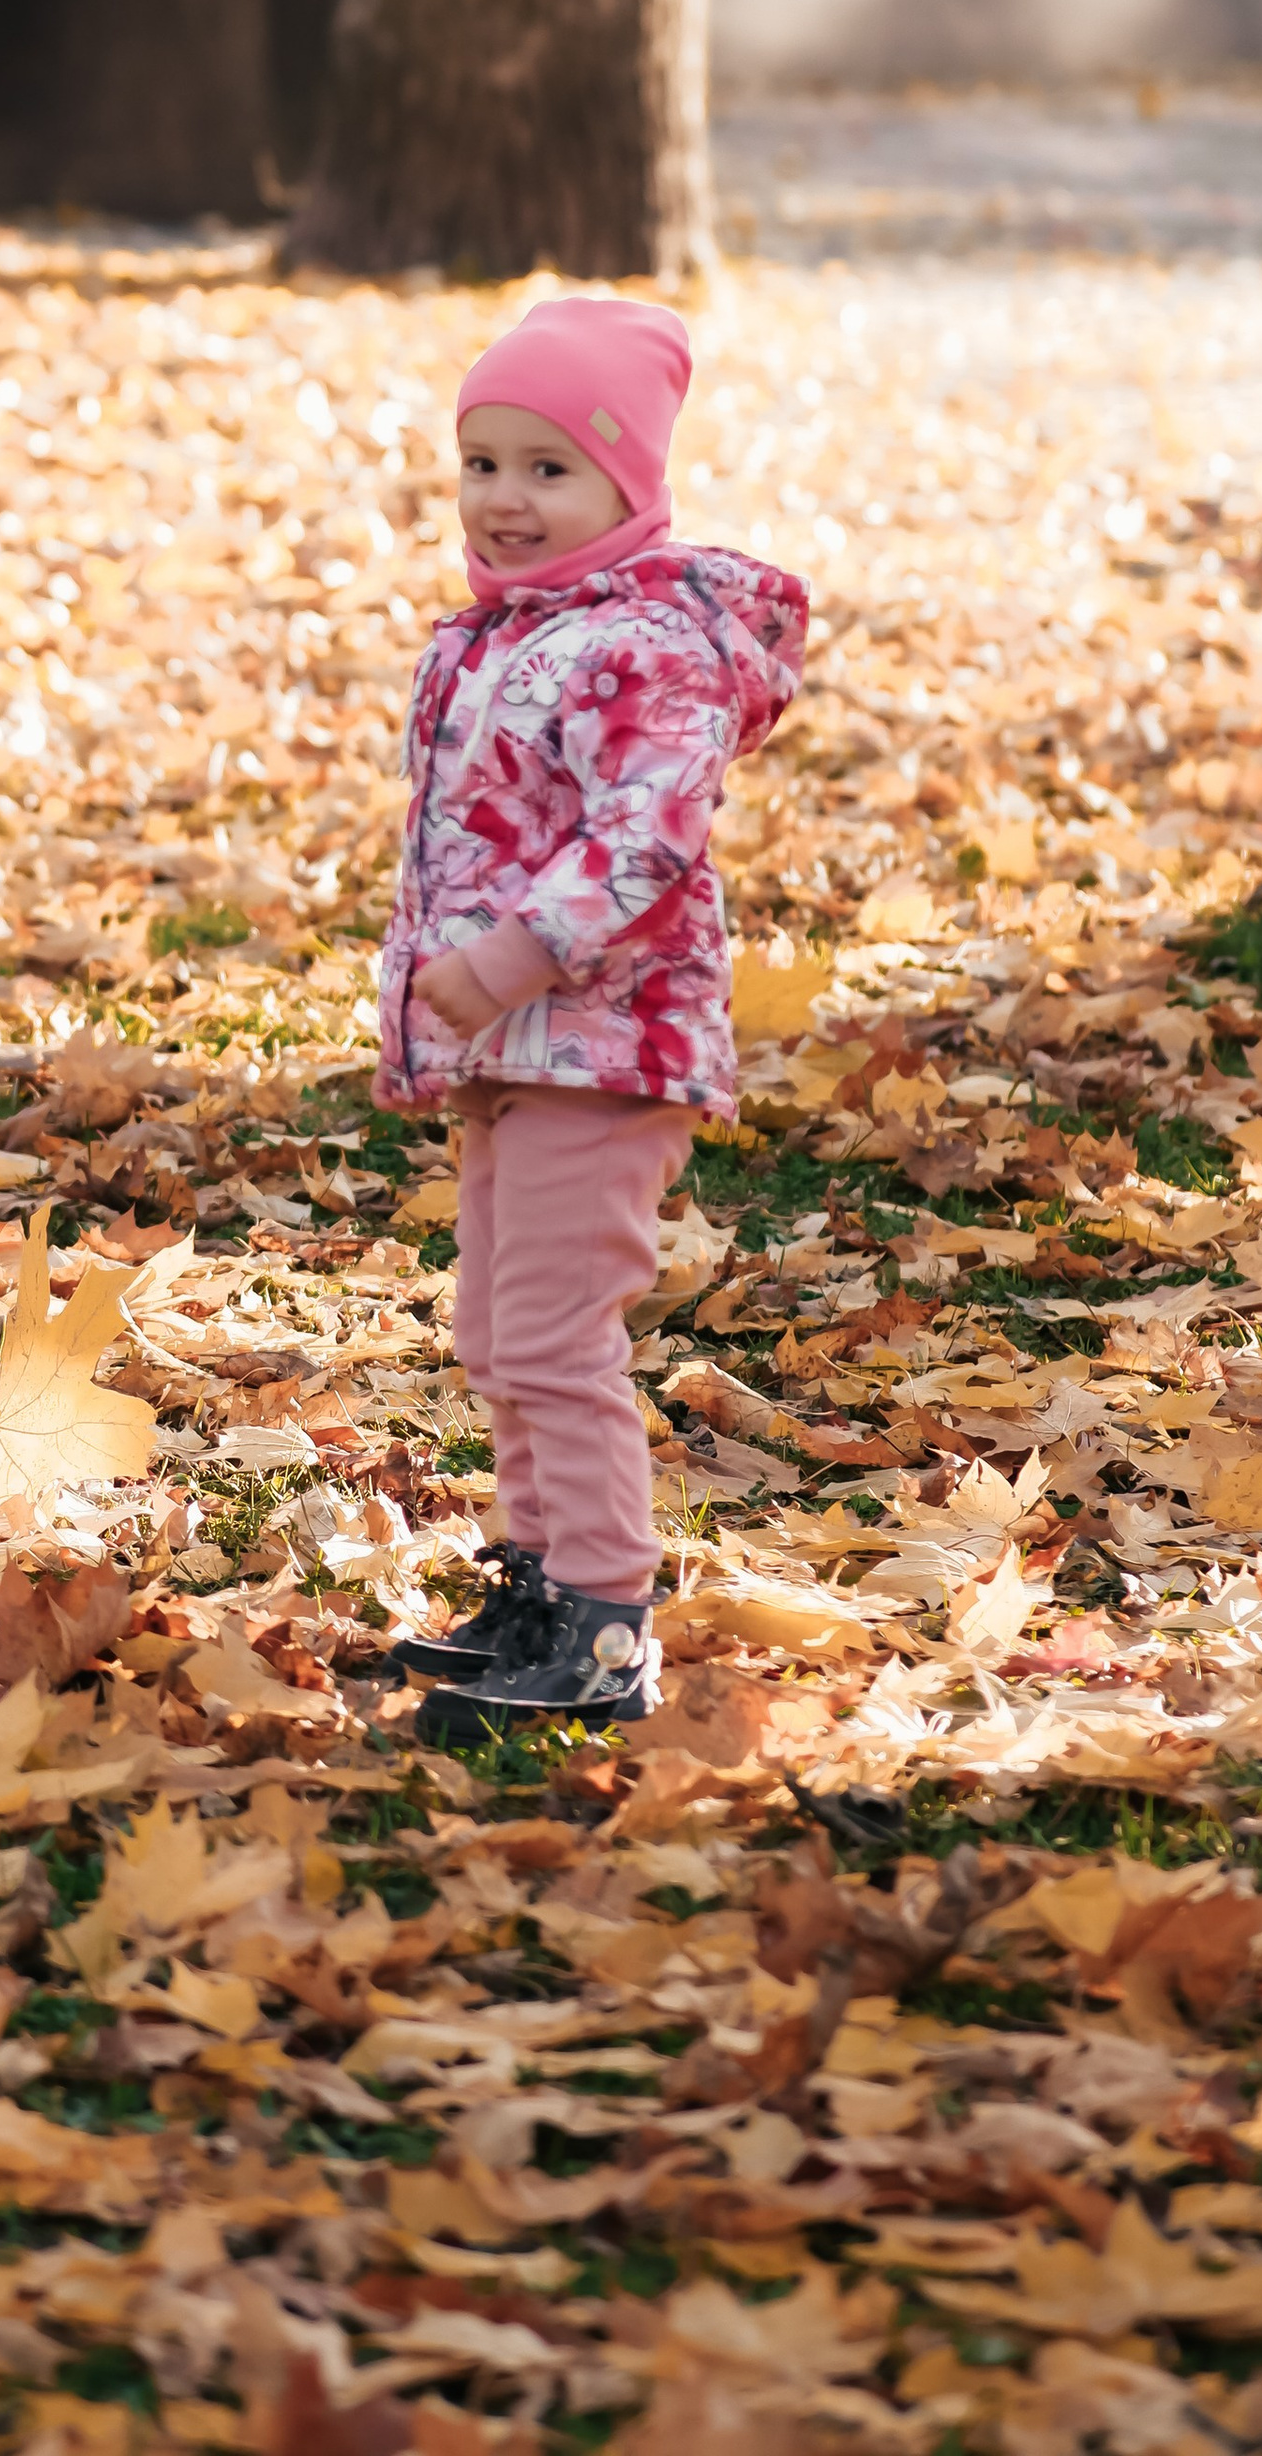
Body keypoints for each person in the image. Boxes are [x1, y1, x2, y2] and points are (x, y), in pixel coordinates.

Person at [375, 298, 806, 1740]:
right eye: (481, 463)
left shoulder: (646, 647)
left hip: (607, 1046)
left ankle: (608, 1622)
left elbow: (645, 845)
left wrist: (504, 960)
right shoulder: (504, 634)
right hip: (515, 1047)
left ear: (633, 485)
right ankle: (537, 1582)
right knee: (499, 1334)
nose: (504, 499)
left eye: (548, 469)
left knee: (559, 1336)